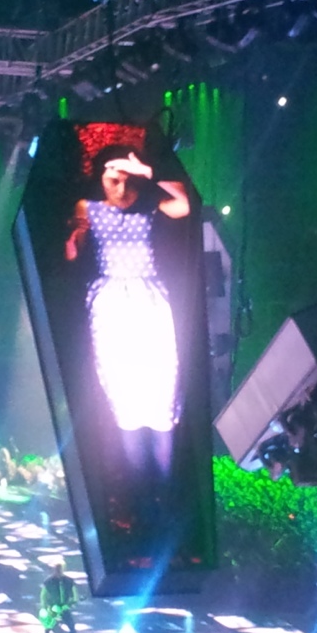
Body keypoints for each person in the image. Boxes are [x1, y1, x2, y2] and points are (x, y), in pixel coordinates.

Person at [64, 146, 190, 483]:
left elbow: (186, 205)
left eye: (125, 179)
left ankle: (166, 485)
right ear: (101, 179)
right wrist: (74, 241)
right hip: (111, 305)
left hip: (150, 301)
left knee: (161, 389)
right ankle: (139, 488)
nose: (119, 186)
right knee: (125, 393)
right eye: (112, 179)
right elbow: (74, 251)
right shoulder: (88, 207)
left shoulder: (149, 205)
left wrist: (148, 171)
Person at [36, 562, 79, 633]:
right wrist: (45, 608)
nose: (58, 571)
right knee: (48, 628)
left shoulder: (69, 581)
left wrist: (70, 603)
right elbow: (43, 596)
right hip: (53, 609)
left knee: (72, 627)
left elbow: (75, 596)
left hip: (64, 608)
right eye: (57, 569)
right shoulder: (48, 582)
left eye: (60, 569)